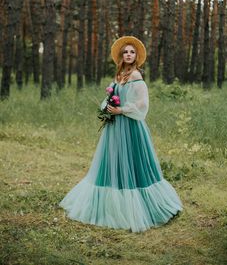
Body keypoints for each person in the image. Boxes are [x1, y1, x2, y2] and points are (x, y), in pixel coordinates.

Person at [59, 36, 183, 232]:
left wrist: (122, 110)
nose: (128, 54)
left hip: (131, 127)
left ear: (136, 57)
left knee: (133, 164)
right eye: (125, 52)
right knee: (112, 162)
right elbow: (108, 98)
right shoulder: (118, 77)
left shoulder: (135, 76)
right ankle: (109, 206)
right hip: (114, 127)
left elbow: (143, 103)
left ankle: (140, 208)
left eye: (132, 52)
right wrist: (106, 108)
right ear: (121, 56)